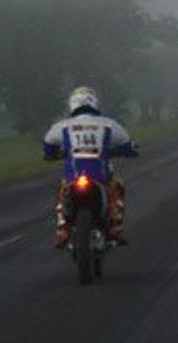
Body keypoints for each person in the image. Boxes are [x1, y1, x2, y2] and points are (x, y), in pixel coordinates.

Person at [43, 86, 138, 248]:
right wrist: (127, 151)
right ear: (94, 103)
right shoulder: (109, 124)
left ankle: (62, 229)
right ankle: (116, 226)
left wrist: (53, 154)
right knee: (117, 188)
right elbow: (129, 146)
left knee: (61, 191)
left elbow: (48, 146)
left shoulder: (62, 126)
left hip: (73, 176)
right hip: (101, 176)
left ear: (72, 105)